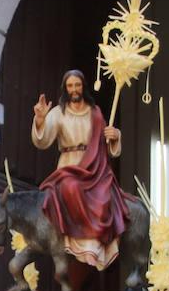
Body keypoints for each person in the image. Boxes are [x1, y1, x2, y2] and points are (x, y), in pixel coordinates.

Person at [30, 69, 131, 271]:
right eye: (70, 86)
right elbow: (43, 140)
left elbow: (108, 148)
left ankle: (93, 247)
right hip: (69, 165)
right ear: (65, 89)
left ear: (83, 87)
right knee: (69, 186)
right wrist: (40, 119)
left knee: (104, 196)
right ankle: (68, 243)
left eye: (77, 85)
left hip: (95, 165)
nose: (74, 89)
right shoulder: (59, 113)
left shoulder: (95, 113)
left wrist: (114, 136)